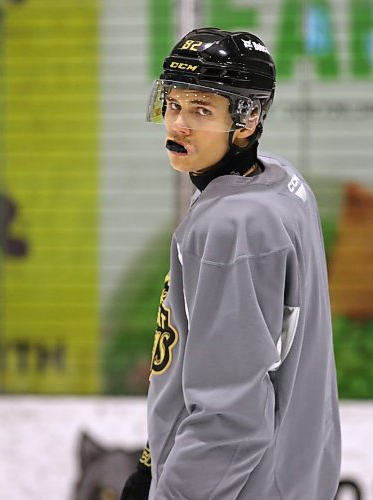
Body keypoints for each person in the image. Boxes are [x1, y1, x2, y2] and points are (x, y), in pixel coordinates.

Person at [120, 27, 341, 500]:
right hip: (293, 471)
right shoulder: (280, 180)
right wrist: (154, 459)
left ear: (247, 120)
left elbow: (232, 418)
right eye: (174, 104)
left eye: (202, 110)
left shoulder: (231, 226)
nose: (178, 124)